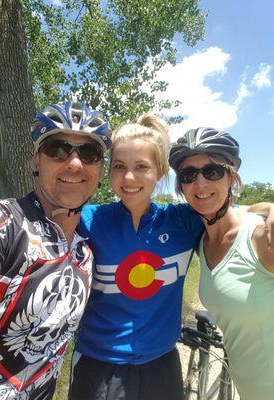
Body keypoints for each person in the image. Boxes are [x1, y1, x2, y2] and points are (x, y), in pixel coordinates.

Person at [0, 100, 111, 400]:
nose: (74, 163)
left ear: (101, 169)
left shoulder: (85, 254)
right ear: (37, 159)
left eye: (89, 153)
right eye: (58, 149)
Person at [69, 113, 204, 400]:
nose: (128, 177)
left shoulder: (184, 222)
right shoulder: (88, 219)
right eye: (119, 167)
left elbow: (233, 216)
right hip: (99, 365)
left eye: (141, 167)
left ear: (160, 172)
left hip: (161, 363)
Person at [169, 127, 274, 400]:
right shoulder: (201, 242)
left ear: (232, 178)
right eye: (188, 175)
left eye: (212, 171)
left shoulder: (263, 236)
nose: (200, 183)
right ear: (181, 186)